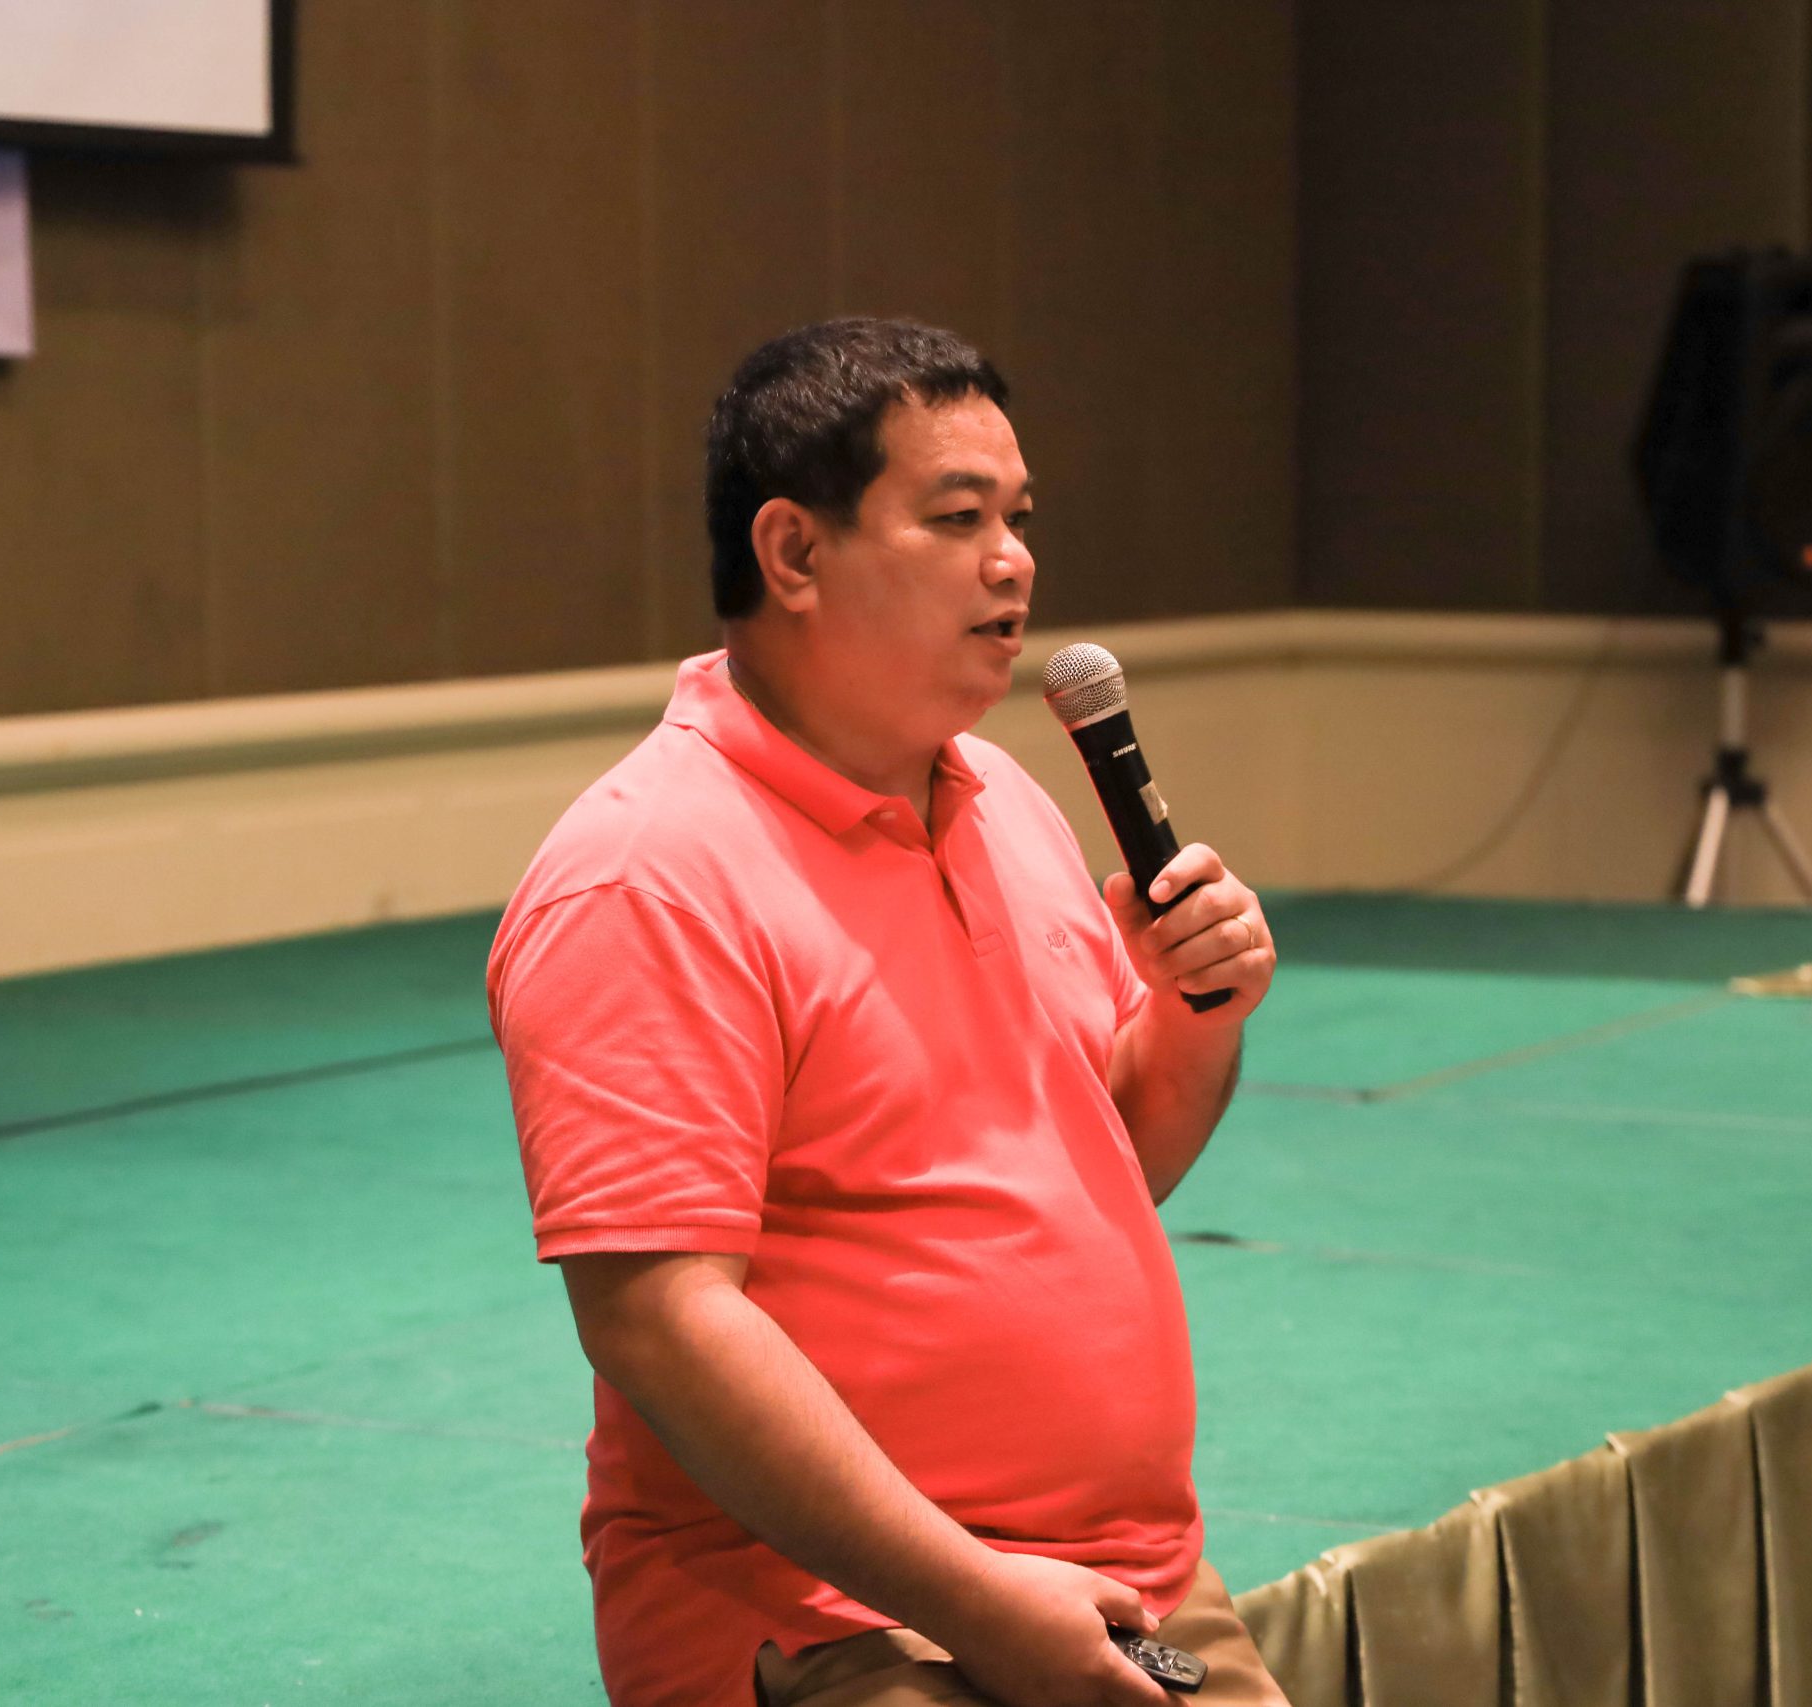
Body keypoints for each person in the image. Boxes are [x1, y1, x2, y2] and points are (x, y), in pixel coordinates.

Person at [488, 318, 1287, 1707]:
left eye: (1020, 519)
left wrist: (1194, 1016)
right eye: (958, 517)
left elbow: (1111, 1164)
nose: (1013, 561)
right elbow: (660, 1320)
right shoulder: (647, 873)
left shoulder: (1005, 797)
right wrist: (976, 1601)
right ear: (794, 553)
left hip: (1127, 1583)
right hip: (831, 1622)